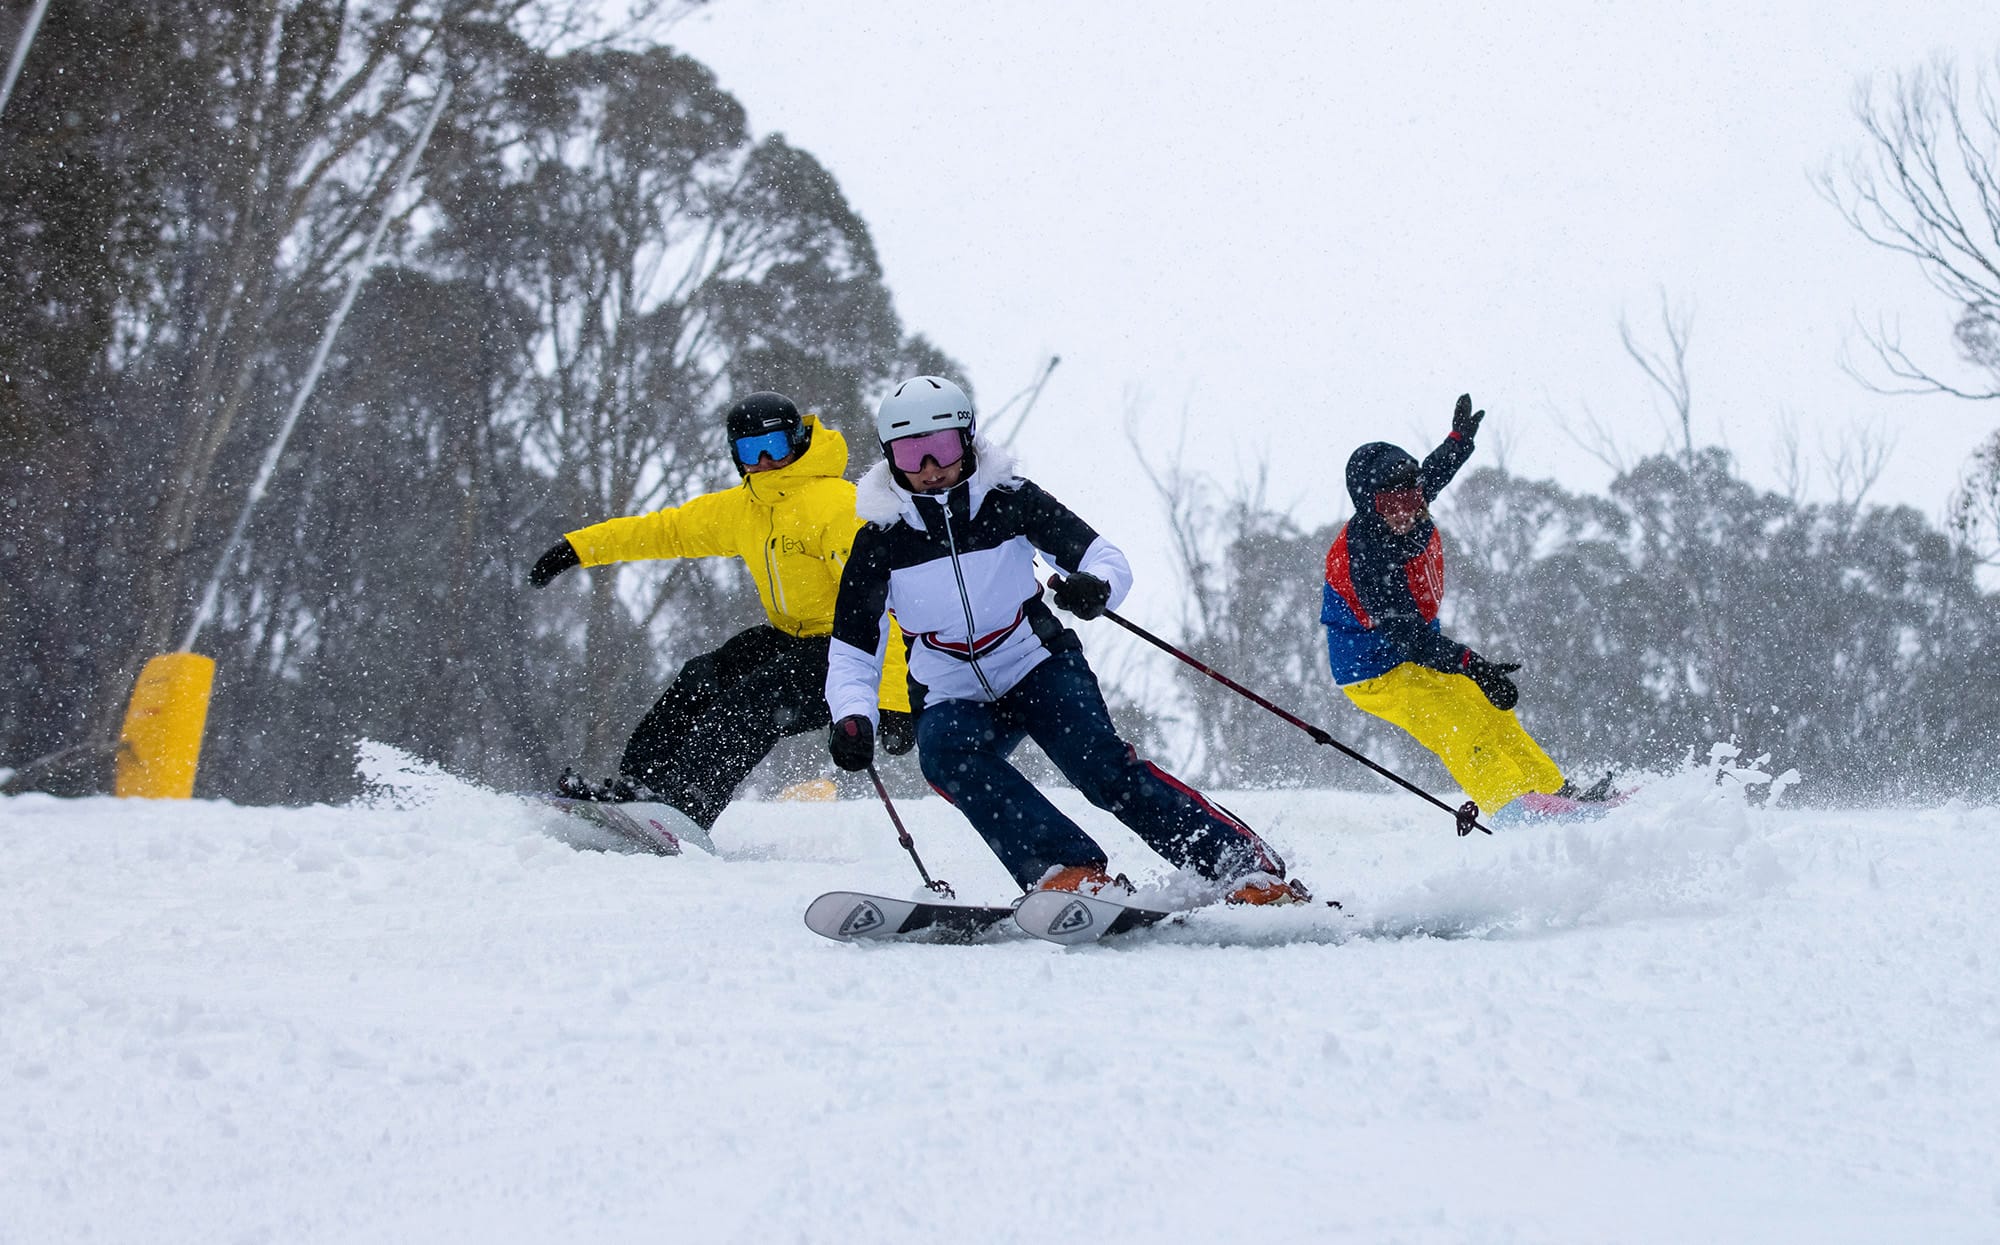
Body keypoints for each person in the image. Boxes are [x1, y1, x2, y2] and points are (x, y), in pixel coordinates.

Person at [824, 375, 1306, 904]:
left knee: (1101, 769)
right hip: (950, 689)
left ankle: (1243, 870)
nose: (929, 468)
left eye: (940, 448)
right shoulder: (879, 540)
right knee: (945, 756)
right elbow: (853, 650)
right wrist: (853, 715)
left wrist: (1095, 588)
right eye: (911, 454)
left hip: (1037, 663)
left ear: (967, 441)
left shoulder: (1009, 501)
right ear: (890, 458)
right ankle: (1068, 870)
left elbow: (1104, 559)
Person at [527, 391, 913, 831]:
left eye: (777, 446)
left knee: (757, 700)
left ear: (800, 441)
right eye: (751, 449)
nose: (766, 460)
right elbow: (666, 531)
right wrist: (579, 548)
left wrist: (895, 702)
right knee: (702, 677)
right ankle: (640, 789)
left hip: (853, 647)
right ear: (736, 456)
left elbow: (882, 605)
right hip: (793, 637)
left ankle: (684, 807)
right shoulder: (743, 510)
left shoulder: (836, 506)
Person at [1321, 393, 1613, 822]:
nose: (1405, 511)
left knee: (1491, 710)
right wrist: (1471, 663)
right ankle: (1515, 806)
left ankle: (1556, 792)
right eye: (1390, 504)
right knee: (1457, 721)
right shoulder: (1366, 554)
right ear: (1370, 506)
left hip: (1413, 652)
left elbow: (1434, 473)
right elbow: (1405, 635)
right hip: (1375, 671)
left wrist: (1458, 441)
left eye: (1412, 497)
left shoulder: (1411, 505)